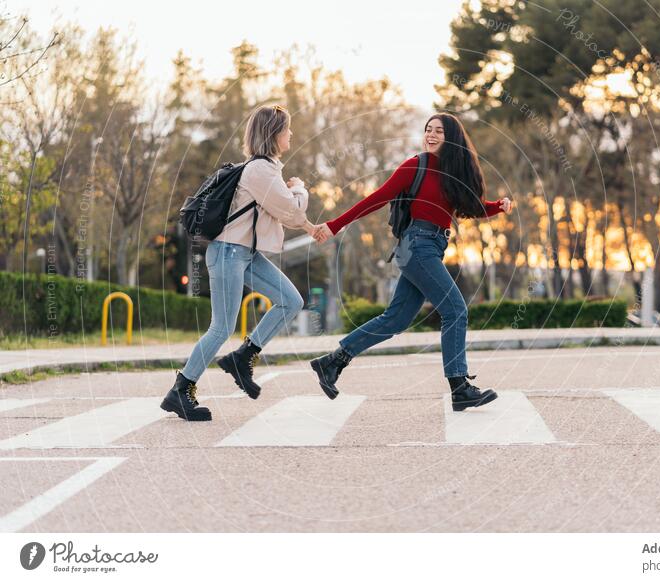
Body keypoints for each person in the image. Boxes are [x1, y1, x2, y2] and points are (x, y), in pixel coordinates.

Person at [309, 112, 512, 411]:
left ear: (452, 137)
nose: (431, 135)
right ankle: (459, 387)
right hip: (418, 246)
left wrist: (497, 207)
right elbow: (376, 198)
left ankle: (332, 362)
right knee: (455, 309)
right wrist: (334, 225)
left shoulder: (454, 171)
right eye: (428, 130)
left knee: (396, 319)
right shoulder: (415, 165)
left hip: (431, 246)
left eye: (438, 131)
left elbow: (471, 207)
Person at [161, 105, 315, 421]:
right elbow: (292, 213)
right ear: (273, 133)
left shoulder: (265, 170)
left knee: (290, 300)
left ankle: (243, 355)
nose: (291, 135)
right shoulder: (260, 171)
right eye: (287, 129)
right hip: (230, 252)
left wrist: (305, 219)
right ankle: (181, 389)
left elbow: (277, 212)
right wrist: (299, 188)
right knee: (221, 327)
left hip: (245, 253)